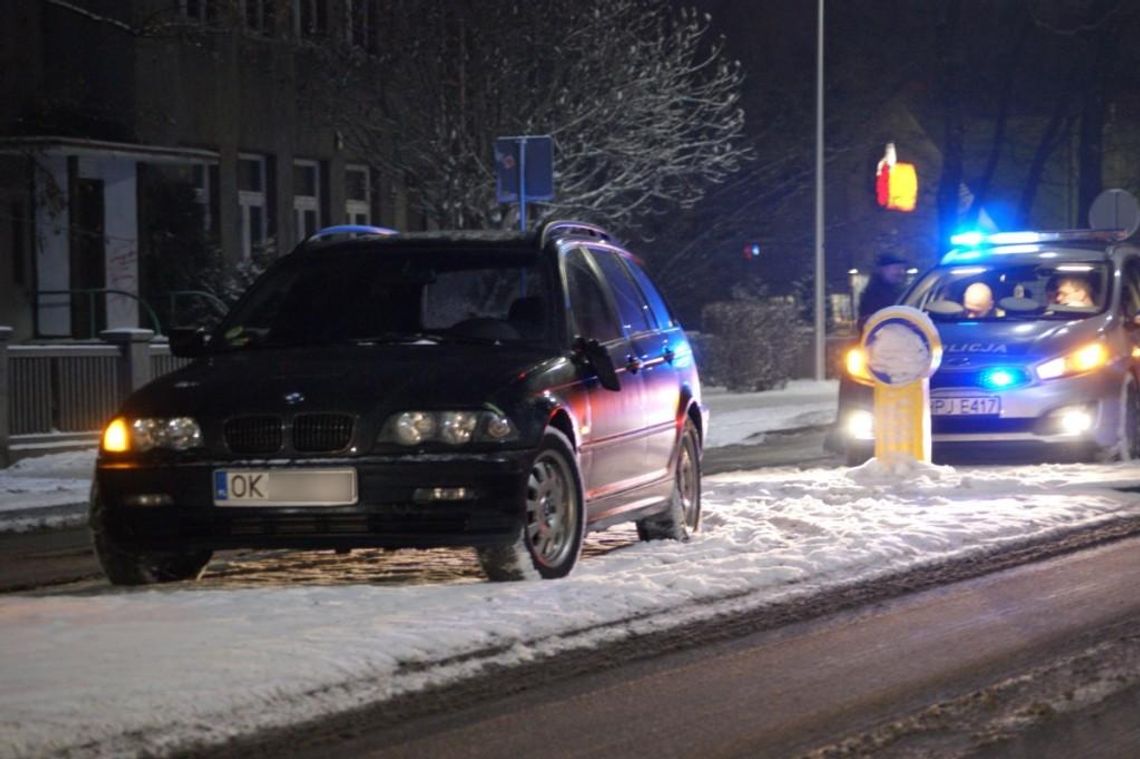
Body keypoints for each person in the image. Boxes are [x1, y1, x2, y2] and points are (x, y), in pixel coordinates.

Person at [857, 252, 908, 330]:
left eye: (903, 269)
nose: (901, 272)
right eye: (896, 268)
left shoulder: (901, 291)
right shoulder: (872, 296)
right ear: (883, 270)